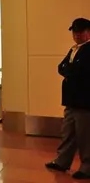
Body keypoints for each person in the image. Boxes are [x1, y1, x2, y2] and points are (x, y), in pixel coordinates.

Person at [45, 18, 90, 180]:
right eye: (74, 31)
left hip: (84, 101)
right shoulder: (74, 49)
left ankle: (87, 167)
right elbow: (61, 67)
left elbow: (81, 70)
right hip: (71, 100)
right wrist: (70, 70)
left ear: (88, 32)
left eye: (81, 31)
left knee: (85, 136)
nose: (77, 35)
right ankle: (62, 161)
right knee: (68, 132)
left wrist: (69, 70)